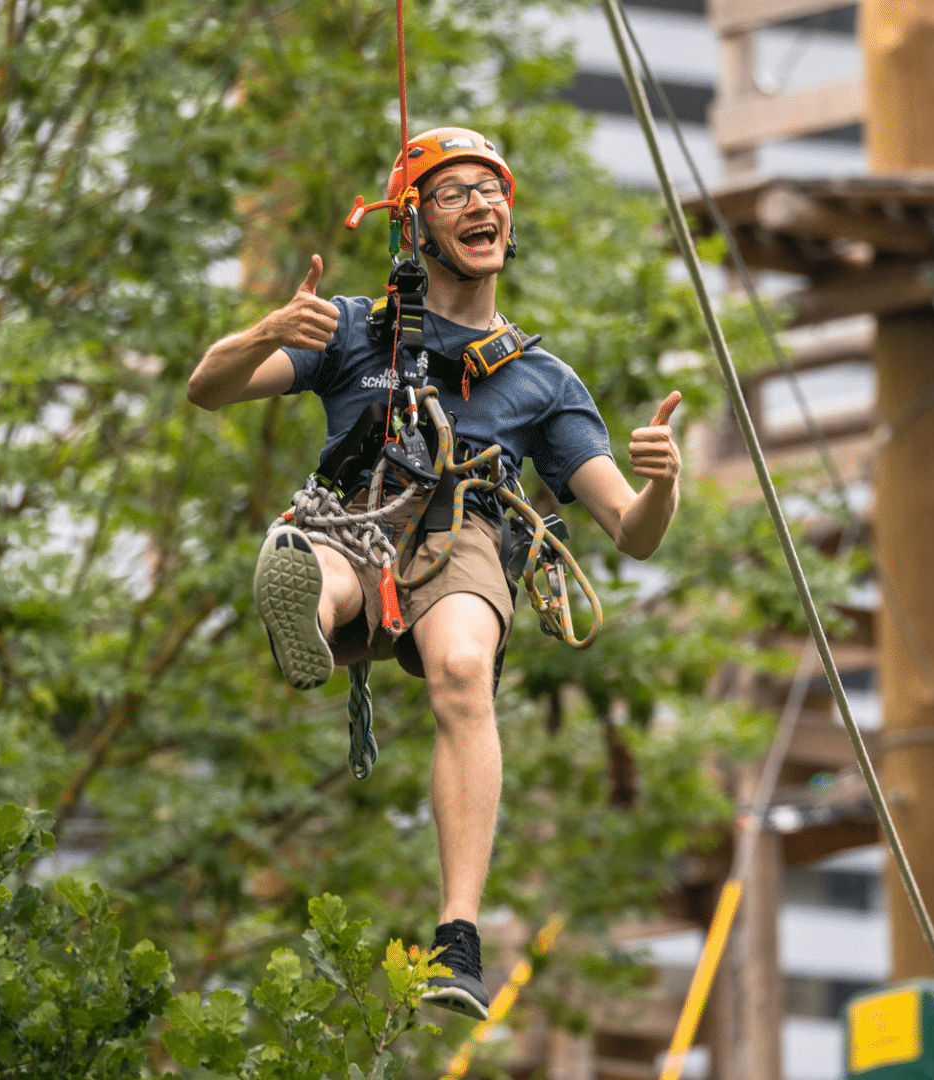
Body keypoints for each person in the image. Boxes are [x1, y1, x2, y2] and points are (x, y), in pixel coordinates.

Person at [187, 126, 683, 1019]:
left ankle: (458, 938)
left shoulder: (542, 380)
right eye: (452, 194)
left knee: (461, 669)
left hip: (465, 536)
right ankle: (305, 599)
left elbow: (630, 531)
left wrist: (664, 483)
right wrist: (267, 327)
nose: (481, 206)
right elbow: (208, 388)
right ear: (411, 225)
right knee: (330, 559)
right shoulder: (350, 330)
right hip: (362, 516)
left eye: (490, 193)